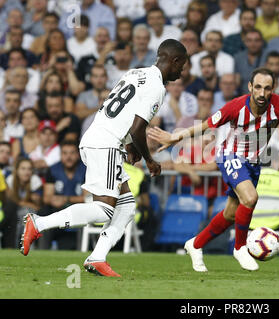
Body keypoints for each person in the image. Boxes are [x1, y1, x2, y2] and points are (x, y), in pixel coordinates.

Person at [20, 39, 188, 278]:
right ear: (174, 60)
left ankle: (97, 257)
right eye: (182, 65)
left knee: (127, 206)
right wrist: (149, 160)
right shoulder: (157, 88)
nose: (182, 71)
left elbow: (122, 113)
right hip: (106, 144)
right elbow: (138, 127)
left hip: (101, 138)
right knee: (103, 210)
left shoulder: (135, 73)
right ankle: (38, 223)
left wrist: (129, 145)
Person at [149, 67, 279, 272]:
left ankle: (196, 244)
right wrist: (175, 136)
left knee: (231, 214)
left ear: (273, 89)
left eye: (267, 88)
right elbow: (205, 125)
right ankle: (240, 247)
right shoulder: (235, 107)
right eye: (258, 87)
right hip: (229, 156)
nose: (262, 93)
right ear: (250, 87)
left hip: (253, 163)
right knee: (250, 198)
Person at [39, 140, 87, 250]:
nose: (68, 157)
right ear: (60, 155)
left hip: (78, 212)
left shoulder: (86, 170)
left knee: (68, 246)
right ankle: (42, 250)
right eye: (65, 153)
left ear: (78, 155)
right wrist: (53, 200)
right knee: (44, 212)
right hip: (57, 211)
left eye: (72, 153)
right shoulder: (52, 169)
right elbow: (47, 198)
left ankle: (85, 253)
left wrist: (66, 199)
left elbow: (87, 198)